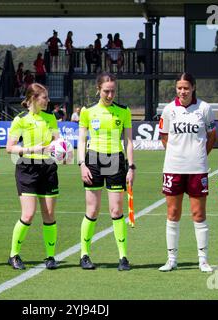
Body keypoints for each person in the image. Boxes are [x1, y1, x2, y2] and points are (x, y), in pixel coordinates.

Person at [158, 73, 216, 273]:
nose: (183, 91)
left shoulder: (205, 109)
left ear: (193, 87)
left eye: (186, 88)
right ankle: (171, 259)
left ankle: (203, 259)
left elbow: (211, 136)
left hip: (197, 169)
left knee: (198, 214)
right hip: (173, 168)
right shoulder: (168, 110)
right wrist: (177, 154)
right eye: (179, 88)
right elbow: (164, 137)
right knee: (173, 213)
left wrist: (198, 155)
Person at [77, 72, 134, 271]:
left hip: (115, 160)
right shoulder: (87, 111)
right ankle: (84, 255)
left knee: (116, 210)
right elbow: (82, 140)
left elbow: (128, 141)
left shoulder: (124, 111)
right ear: (98, 90)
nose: (110, 95)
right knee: (92, 210)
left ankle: (123, 257)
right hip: (93, 159)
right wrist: (82, 164)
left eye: (112, 91)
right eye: (106, 91)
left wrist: (131, 167)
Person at [6, 83, 60, 270]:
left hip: (48, 167)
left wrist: (63, 148)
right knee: (28, 214)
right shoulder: (20, 119)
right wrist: (31, 149)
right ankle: (13, 254)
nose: (48, 100)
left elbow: (57, 141)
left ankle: (50, 257)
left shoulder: (51, 117)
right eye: (44, 97)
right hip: (26, 167)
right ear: (33, 99)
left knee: (49, 214)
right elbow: (10, 148)